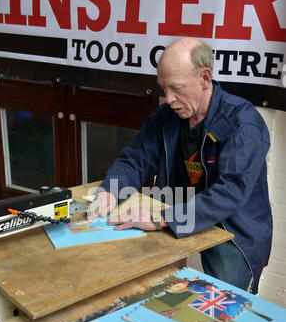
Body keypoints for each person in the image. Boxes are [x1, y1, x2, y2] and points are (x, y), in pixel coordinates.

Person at [87, 37, 272, 294]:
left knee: (224, 305)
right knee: (158, 291)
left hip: (233, 229)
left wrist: (163, 219)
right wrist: (109, 190)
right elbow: (136, 160)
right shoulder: (165, 117)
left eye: (177, 88)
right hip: (177, 211)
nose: (169, 98)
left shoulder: (242, 124)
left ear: (205, 78)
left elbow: (230, 193)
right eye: (164, 88)